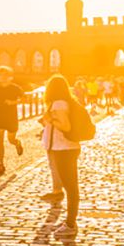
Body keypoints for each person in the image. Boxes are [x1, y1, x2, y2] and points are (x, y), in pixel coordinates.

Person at [41, 74, 81, 234]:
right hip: (64, 147)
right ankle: (70, 222)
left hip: (64, 148)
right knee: (70, 186)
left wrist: (50, 119)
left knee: (71, 188)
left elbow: (65, 126)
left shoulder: (59, 104)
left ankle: (71, 225)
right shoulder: (62, 102)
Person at [0, 66, 25, 176]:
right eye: (0, 75)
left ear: (10, 77)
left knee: (11, 139)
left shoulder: (15, 88)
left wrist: (13, 102)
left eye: (5, 75)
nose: (2, 77)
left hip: (11, 117)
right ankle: (1, 164)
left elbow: (24, 99)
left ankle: (17, 143)